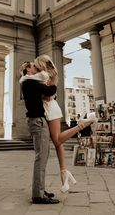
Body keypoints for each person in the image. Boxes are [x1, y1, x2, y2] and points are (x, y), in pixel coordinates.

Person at [34, 54, 96, 192]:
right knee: (58, 143)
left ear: (41, 65)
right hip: (50, 108)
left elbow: (46, 95)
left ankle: (82, 125)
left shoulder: (45, 76)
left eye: (36, 65)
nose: (35, 68)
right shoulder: (49, 76)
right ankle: (64, 172)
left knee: (57, 140)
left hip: (51, 109)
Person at [19, 61, 60, 204]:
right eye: (32, 66)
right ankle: (38, 195)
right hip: (38, 121)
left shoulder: (28, 82)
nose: (35, 67)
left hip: (35, 120)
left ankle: (40, 189)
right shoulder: (30, 82)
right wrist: (53, 79)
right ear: (27, 70)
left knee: (42, 156)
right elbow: (50, 91)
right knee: (41, 158)